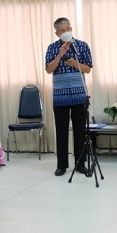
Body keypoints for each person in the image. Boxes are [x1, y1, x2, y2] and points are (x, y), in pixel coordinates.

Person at [45, 18, 92, 176]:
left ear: (71, 29)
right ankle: (61, 165)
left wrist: (74, 64)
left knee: (80, 131)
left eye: (68, 29)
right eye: (62, 30)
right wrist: (60, 55)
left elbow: (88, 69)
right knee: (61, 130)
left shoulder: (82, 46)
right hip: (60, 96)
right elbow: (49, 69)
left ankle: (80, 164)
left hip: (79, 95)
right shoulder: (52, 48)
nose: (66, 32)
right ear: (57, 33)